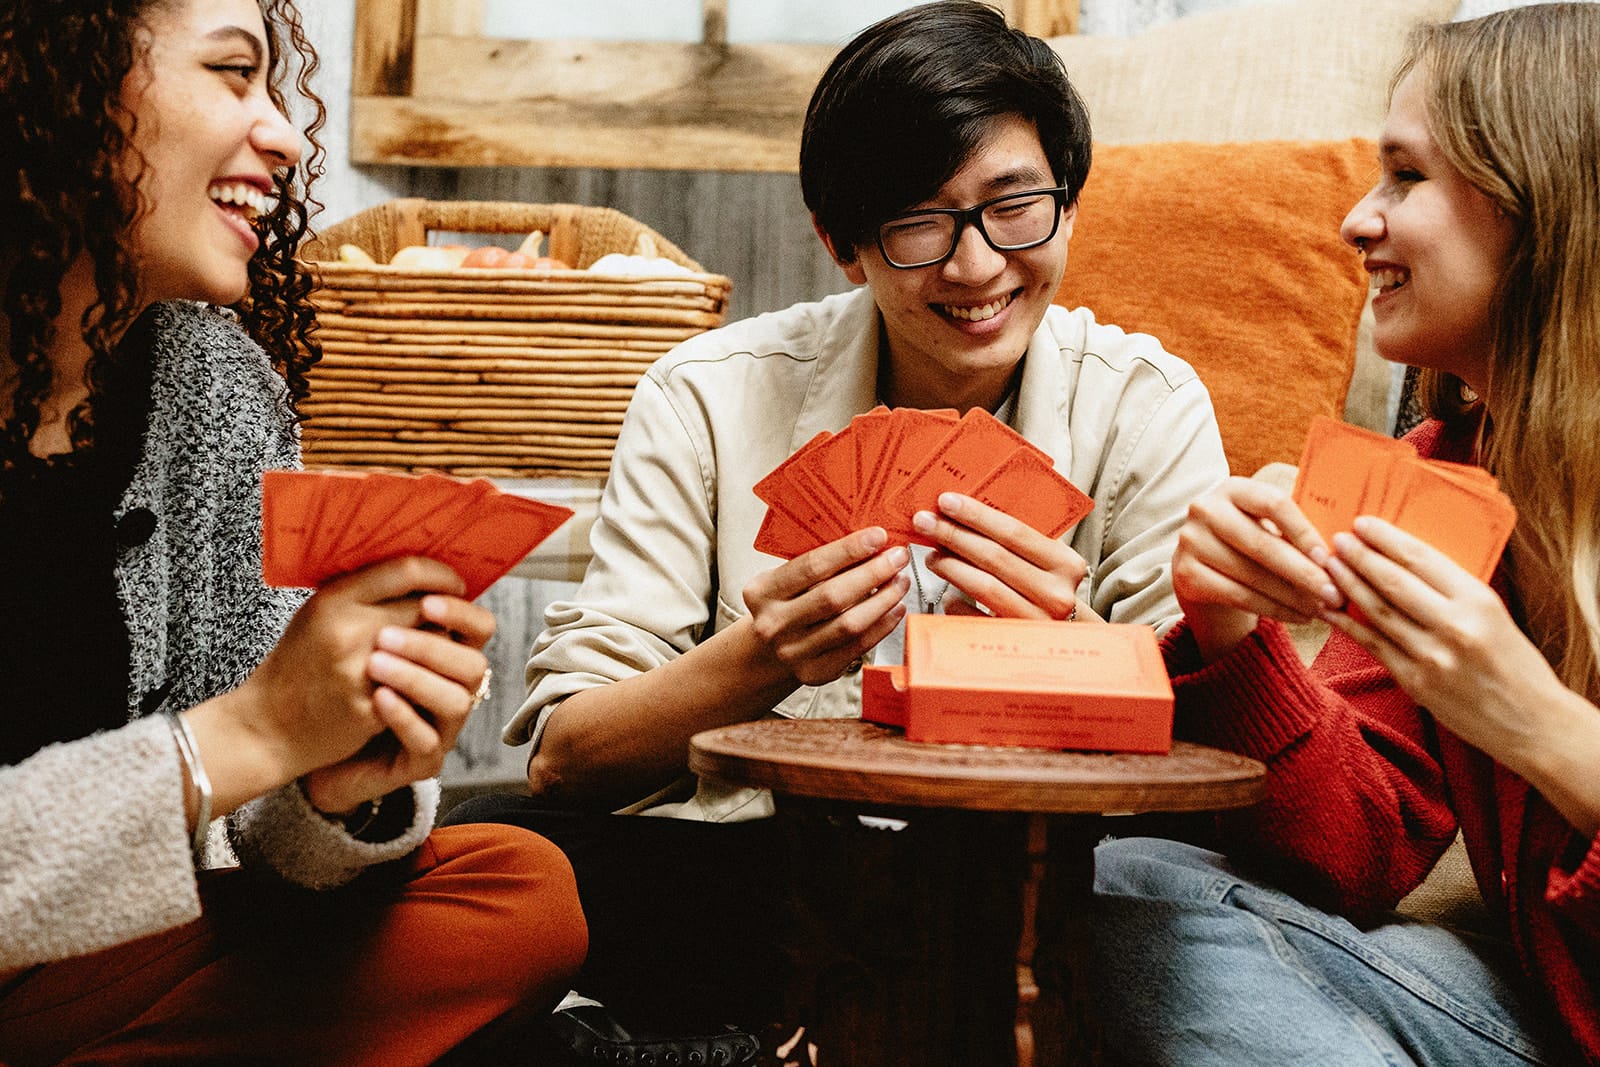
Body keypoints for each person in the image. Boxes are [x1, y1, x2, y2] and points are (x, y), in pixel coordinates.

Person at [444, 0, 1228, 1037]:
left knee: (1134, 905)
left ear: (1069, 206)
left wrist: (1071, 660)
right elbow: (569, 756)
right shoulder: (708, 395)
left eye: (1015, 207)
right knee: (485, 837)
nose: (978, 265)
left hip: (1028, 876)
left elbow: (1215, 771)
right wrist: (762, 655)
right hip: (763, 872)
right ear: (838, 241)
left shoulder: (1144, 405)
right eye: (917, 222)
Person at [0, 1, 585, 1063]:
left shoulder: (215, 386)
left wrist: (332, 782)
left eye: (278, 88)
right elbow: (233, 736)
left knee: (521, 889)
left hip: (94, 975)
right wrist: (258, 728)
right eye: (234, 74)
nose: (287, 135)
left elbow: (251, 853)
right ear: (53, 81)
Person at [1085, 4, 1600, 1064]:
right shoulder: (1443, 482)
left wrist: (1542, 727)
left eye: (1404, 178)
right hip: (1545, 1022)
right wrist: (1230, 629)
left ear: (1534, 202)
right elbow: (1352, 852)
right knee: (1131, 881)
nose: (1356, 223)